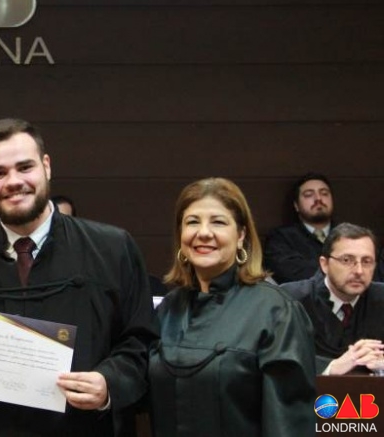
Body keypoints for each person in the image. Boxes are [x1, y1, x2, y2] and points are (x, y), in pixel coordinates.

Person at [0, 118, 158, 437]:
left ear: (46, 166)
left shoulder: (112, 248)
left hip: (82, 428)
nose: (13, 182)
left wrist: (109, 383)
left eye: (24, 167)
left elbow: (141, 339)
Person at [148, 177, 315, 437]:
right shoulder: (169, 308)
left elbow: (288, 425)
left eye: (218, 222)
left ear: (241, 235)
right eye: (192, 222)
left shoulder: (276, 311)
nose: (204, 232)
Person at [281, 223, 384, 375]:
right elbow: (277, 358)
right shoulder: (290, 299)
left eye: (367, 261)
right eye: (347, 260)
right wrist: (330, 367)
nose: (359, 271)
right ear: (325, 264)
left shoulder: (381, 299)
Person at [263, 172, 335, 283]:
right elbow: (291, 273)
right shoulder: (280, 238)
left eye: (324, 193)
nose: (318, 198)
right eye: (309, 195)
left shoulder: (350, 236)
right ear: (296, 206)